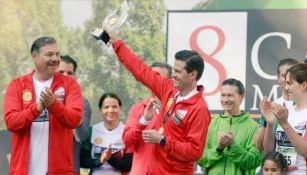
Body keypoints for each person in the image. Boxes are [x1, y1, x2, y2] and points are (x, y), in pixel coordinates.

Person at [104, 29, 211, 174]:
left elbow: (195, 152)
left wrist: (163, 140)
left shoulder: (199, 109)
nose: (173, 75)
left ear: (193, 74)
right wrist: (117, 43)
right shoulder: (169, 89)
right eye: (173, 70)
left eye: (178, 72)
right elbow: (140, 70)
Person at [3, 36, 83, 175]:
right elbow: (11, 122)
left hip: (60, 171)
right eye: (49, 54)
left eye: (57, 54)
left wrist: (53, 105)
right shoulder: (17, 85)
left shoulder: (70, 84)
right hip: (23, 171)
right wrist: (37, 108)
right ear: (34, 56)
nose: (55, 59)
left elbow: (75, 119)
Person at [197, 78, 262, 175]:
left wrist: (232, 146)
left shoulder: (254, 128)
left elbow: (254, 161)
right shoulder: (210, 125)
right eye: (223, 95)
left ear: (241, 97)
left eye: (230, 95)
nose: (225, 100)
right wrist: (219, 148)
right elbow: (200, 158)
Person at [122, 62, 172, 175]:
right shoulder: (138, 108)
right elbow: (126, 140)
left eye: (158, 78)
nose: (153, 81)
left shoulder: (176, 110)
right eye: (150, 77)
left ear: (169, 82)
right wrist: (144, 120)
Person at [261, 63, 307, 174]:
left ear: (304, 85)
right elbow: (268, 150)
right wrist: (270, 123)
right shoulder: (287, 111)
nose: (286, 88)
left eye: (289, 83)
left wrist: (285, 125)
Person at [80, 93, 133, 175]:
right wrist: (100, 160)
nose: (110, 110)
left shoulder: (127, 132)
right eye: (106, 107)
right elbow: (82, 161)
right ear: (100, 109)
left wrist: (110, 158)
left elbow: (128, 166)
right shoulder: (91, 131)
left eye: (114, 107)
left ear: (120, 109)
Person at [255, 58, 299, 151]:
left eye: (292, 75)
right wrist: (268, 122)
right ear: (278, 77)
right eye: (284, 75)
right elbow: (259, 146)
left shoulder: (304, 105)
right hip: (279, 164)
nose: (288, 79)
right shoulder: (272, 107)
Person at [58, 55, 92, 174]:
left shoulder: (82, 103)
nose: (65, 76)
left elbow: (81, 137)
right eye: (61, 71)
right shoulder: (41, 99)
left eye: (69, 73)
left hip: (70, 169)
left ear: (74, 76)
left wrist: (69, 111)